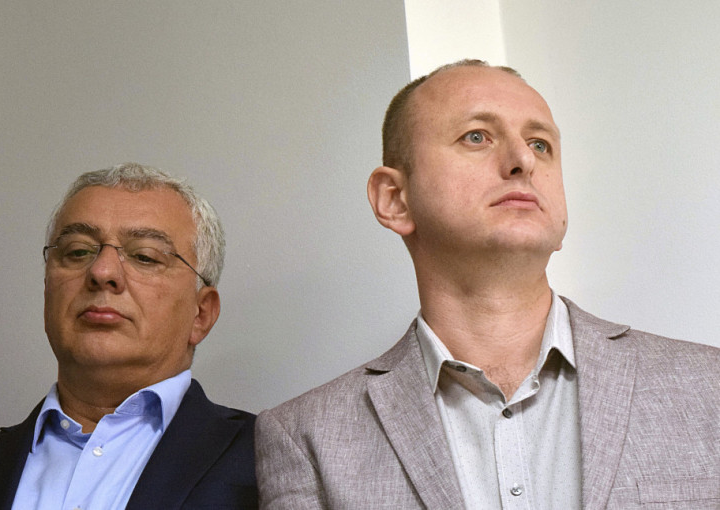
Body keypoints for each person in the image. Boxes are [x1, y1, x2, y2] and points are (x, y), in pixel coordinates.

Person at [255, 60, 720, 509]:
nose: (523, 160)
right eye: (476, 136)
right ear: (394, 199)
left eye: (540, 144)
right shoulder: (306, 438)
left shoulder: (707, 386)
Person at [0, 163, 257, 509]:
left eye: (144, 256)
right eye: (77, 251)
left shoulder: (264, 459)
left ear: (201, 313)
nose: (101, 271)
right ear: (47, 291)